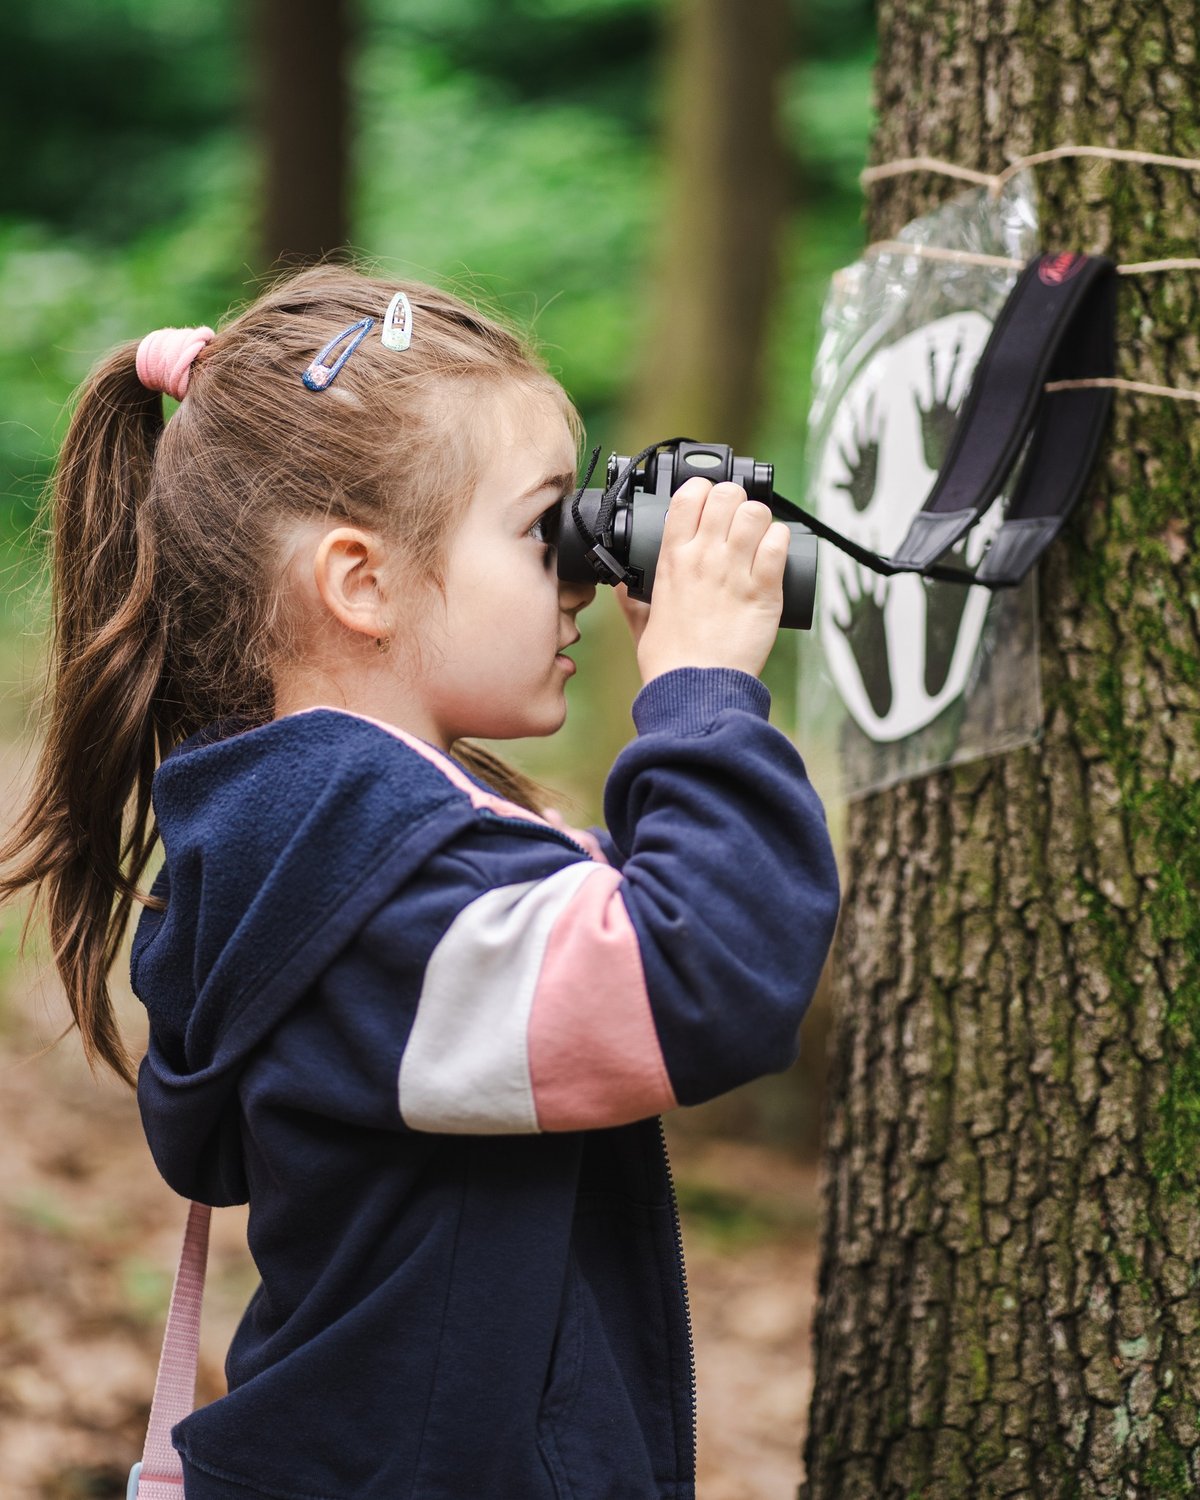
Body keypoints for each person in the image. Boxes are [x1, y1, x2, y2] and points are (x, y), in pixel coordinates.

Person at [0, 263, 840, 1500]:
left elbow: (604, 927)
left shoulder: (308, 853)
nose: (585, 578)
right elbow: (706, 975)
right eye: (541, 528)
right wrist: (702, 693)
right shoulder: (383, 901)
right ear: (362, 584)